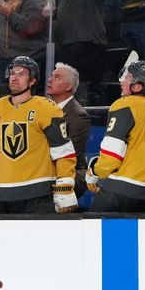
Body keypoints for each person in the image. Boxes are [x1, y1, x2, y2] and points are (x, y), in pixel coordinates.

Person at [0, 56, 78, 214]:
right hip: (2, 193)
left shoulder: (47, 109)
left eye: (21, 73)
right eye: (12, 72)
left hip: (38, 194)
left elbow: (63, 151)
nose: (14, 77)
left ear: (32, 81)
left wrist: (65, 184)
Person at [87, 61, 145, 212]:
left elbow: (112, 153)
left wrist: (96, 171)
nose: (122, 81)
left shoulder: (125, 104)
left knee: (93, 232)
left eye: (128, 77)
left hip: (123, 190)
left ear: (138, 86)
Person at [46, 63, 89, 197]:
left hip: (70, 175)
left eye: (57, 77)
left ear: (68, 86)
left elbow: (69, 155)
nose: (50, 79)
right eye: (51, 76)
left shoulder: (78, 115)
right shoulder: (44, 109)